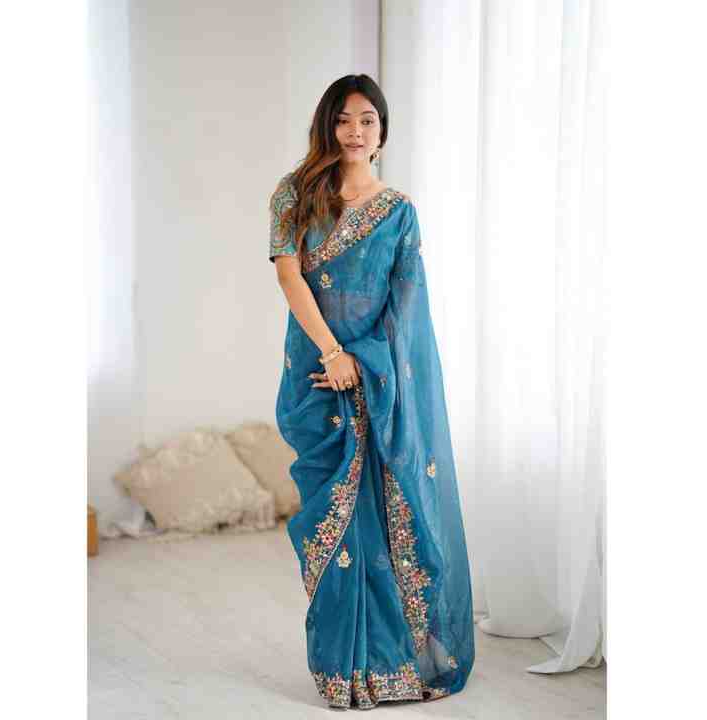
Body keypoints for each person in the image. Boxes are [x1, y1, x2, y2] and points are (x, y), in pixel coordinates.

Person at [269, 74, 475, 710]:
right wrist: (333, 354)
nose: (354, 132)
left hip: (378, 381)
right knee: (334, 529)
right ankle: (342, 668)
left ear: (382, 132)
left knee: (385, 523)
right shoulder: (294, 194)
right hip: (317, 374)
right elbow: (290, 276)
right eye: (343, 119)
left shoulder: (399, 211)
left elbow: (406, 307)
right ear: (326, 125)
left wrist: (364, 363)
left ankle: (394, 666)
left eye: (367, 120)